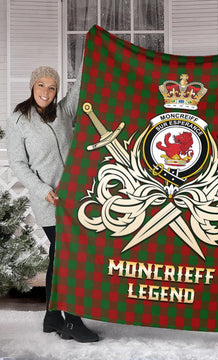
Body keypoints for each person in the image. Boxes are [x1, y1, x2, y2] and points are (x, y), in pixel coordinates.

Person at [6, 63, 99, 343]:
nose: (46, 91)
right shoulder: (18, 119)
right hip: (47, 199)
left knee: (60, 258)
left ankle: (51, 318)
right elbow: (19, 164)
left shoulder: (63, 112)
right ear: (33, 86)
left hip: (73, 196)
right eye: (41, 85)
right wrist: (41, 188)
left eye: (52, 86)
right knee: (66, 258)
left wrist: (90, 52)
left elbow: (80, 87)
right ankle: (70, 320)